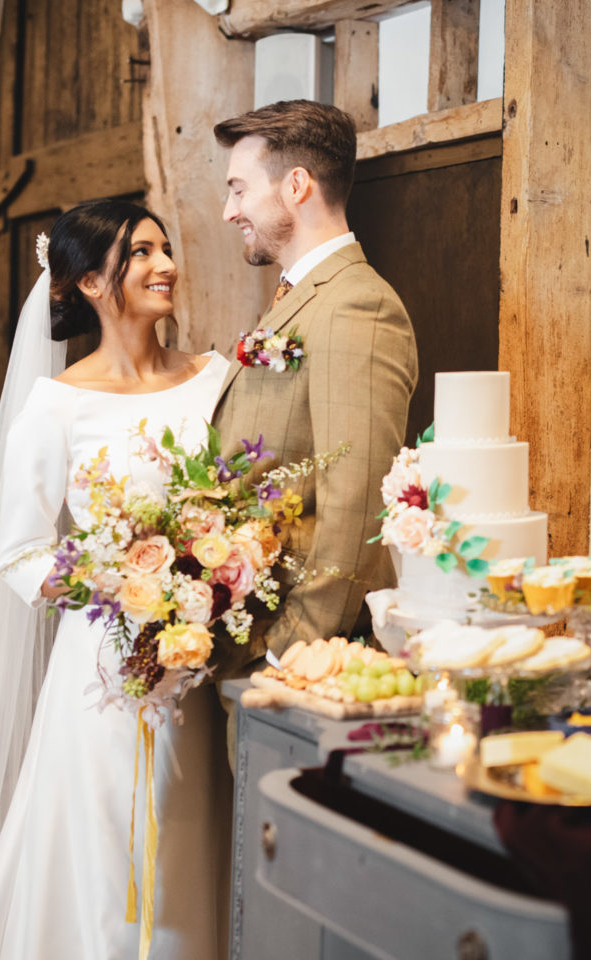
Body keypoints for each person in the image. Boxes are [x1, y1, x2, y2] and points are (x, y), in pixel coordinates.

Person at [0, 200, 229, 960]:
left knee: (190, 839)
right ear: (88, 282)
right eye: (140, 253)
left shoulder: (215, 377)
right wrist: (116, 584)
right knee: (114, 850)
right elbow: (16, 552)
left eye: (165, 247)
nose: (165, 264)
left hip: (198, 664)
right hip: (104, 671)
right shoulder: (57, 406)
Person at [210, 100, 417, 670]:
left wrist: (289, 651)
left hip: (299, 656)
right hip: (247, 630)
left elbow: (357, 496)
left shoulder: (358, 304)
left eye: (239, 189)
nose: (230, 211)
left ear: (296, 185)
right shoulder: (302, 296)